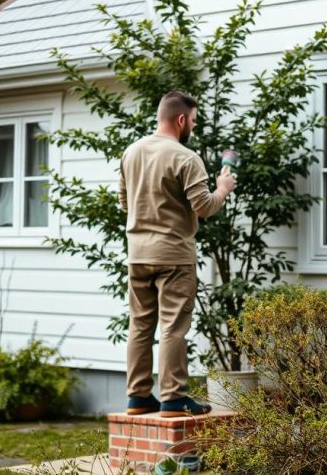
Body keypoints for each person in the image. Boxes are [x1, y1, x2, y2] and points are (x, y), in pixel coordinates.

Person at [118, 91, 236, 417]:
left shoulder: (131, 152)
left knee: (140, 326)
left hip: (138, 254)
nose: (193, 128)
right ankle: (173, 398)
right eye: (194, 121)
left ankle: (138, 396)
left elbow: (125, 204)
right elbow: (205, 206)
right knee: (173, 327)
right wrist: (222, 189)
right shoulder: (185, 157)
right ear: (182, 120)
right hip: (174, 256)